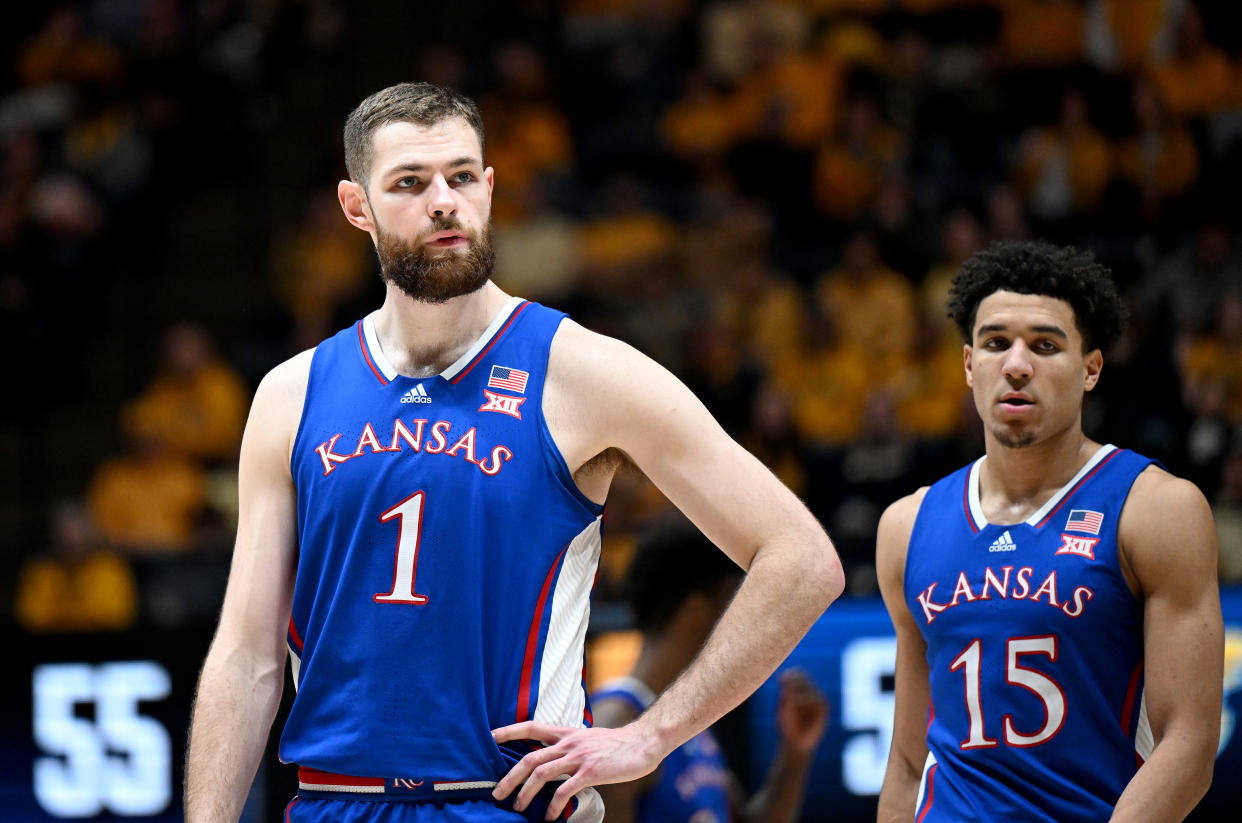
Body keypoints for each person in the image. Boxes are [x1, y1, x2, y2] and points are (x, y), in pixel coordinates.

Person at [183, 82, 844, 823]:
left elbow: (801, 558)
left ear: (490, 188)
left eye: (462, 177)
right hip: (337, 802)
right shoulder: (291, 393)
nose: (443, 201)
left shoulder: (584, 370)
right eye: (410, 182)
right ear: (355, 206)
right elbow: (246, 655)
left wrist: (651, 736)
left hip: (506, 803)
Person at [875, 240, 1223, 822]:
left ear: (1091, 369)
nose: (1015, 364)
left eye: (1044, 345)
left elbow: (1188, 744)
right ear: (968, 365)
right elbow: (910, 761)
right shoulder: (906, 525)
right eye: (994, 344)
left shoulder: (1157, 509)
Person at [592, 522, 828, 823]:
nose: (747, 629)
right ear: (698, 612)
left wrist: (794, 755)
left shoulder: (689, 721)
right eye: (738, 609)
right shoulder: (615, 724)